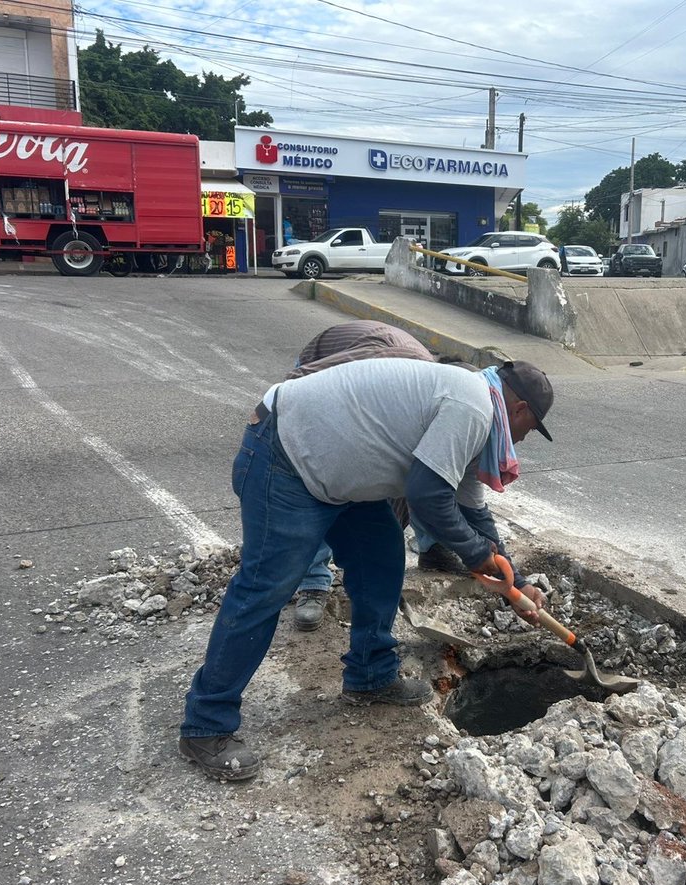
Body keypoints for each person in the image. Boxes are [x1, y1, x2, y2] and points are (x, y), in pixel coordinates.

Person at [179, 357, 554, 780]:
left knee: (381, 559)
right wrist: (475, 555)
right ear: (519, 409)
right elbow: (428, 497)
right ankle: (205, 725)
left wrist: (517, 585)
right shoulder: (472, 407)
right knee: (265, 587)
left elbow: (472, 511)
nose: (523, 440)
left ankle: (370, 675)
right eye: (530, 429)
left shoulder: (475, 414)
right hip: (286, 455)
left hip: (338, 473)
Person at [281, 321, 436, 631]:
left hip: (378, 380)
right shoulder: (381, 397)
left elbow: (427, 487)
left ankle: (430, 548)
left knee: (412, 487)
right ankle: (313, 581)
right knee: (324, 485)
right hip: (320, 370)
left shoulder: (432, 409)